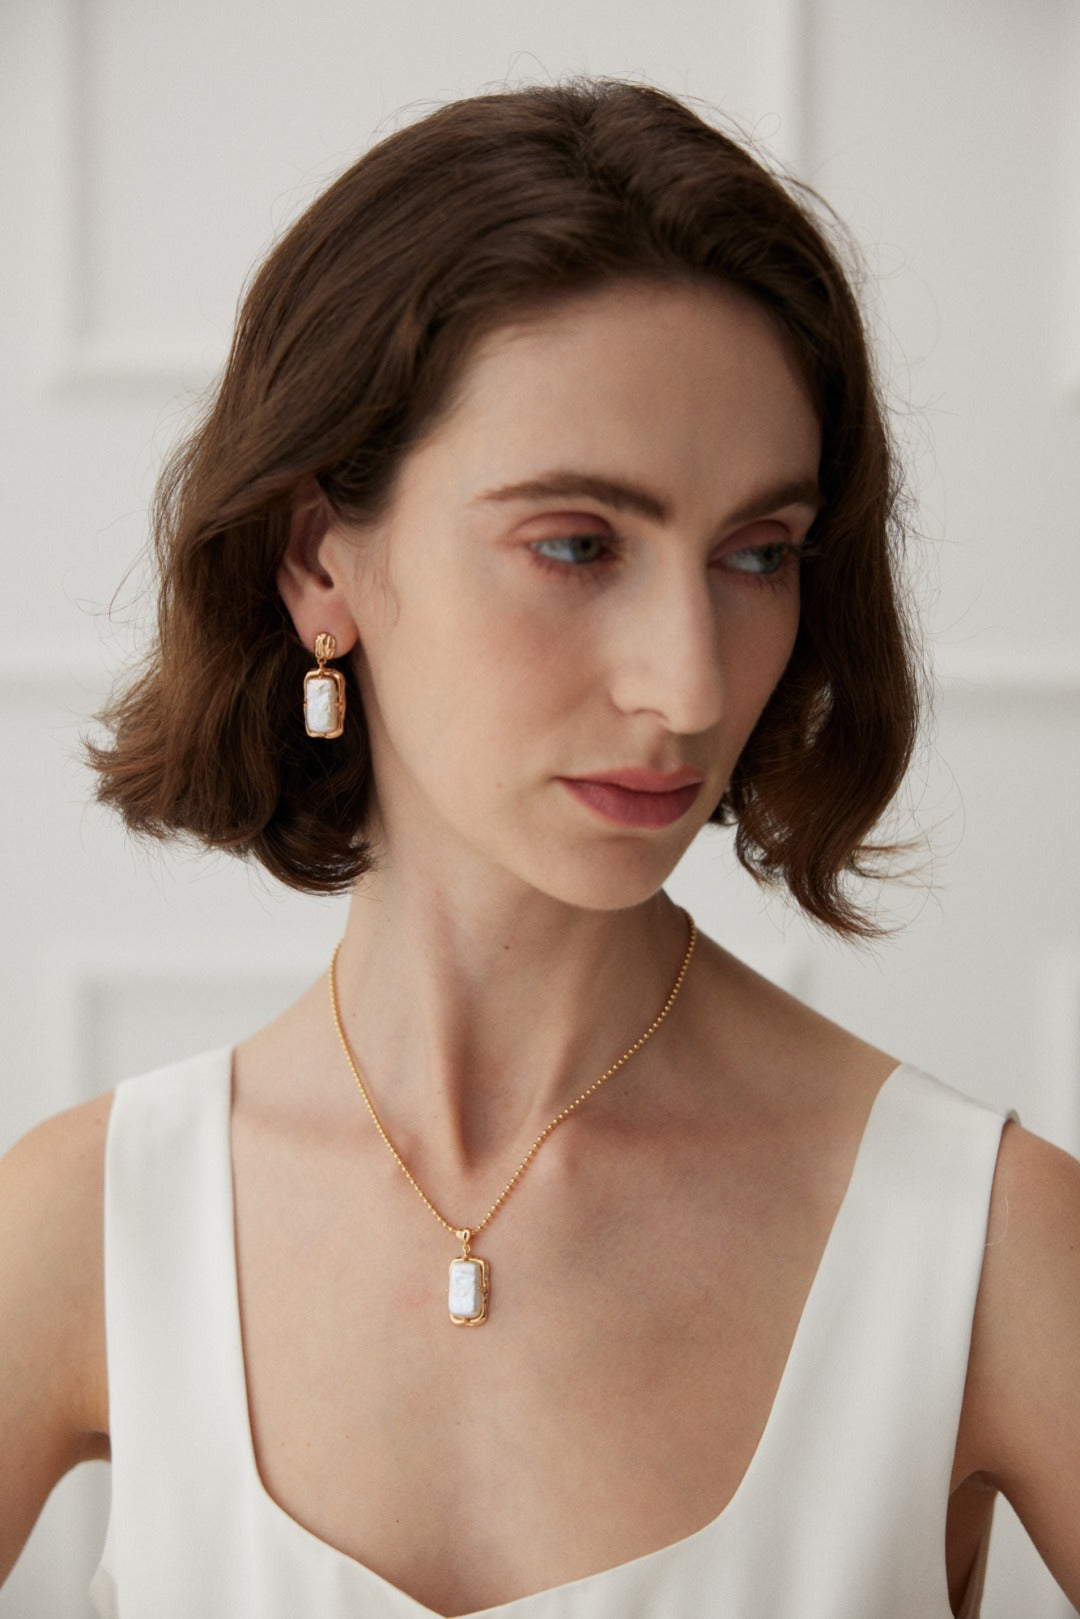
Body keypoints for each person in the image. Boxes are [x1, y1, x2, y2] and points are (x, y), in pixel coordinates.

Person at [0, 79, 1077, 1619]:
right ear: (320, 560)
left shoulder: (991, 1248)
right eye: (577, 545)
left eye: (756, 556)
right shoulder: (89, 1230)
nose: (691, 683)